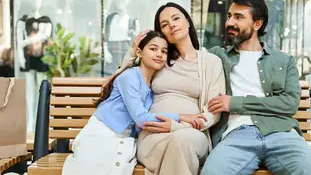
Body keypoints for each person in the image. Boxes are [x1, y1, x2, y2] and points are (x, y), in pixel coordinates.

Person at [201, 0, 311, 175]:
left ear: (257, 24)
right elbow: (187, 55)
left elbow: (289, 104)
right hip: (237, 135)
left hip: (282, 134)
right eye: (229, 16)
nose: (229, 23)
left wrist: (234, 103)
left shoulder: (283, 60)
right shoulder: (217, 56)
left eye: (238, 17)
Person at [60, 31, 206, 175]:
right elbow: (141, 118)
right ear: (139, 53)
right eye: (153, 49)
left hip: (124, 139)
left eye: (164, 51)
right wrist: (181, 116)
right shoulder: (129, 77)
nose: (159, 54)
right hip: (102, 133)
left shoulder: (152, 87)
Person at [117, 3, 226, 175]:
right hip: (153, 134)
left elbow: (214, 111)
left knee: (180, 143)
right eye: (164, 24)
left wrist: (176, 126)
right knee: (175, 150)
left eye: (176, 18)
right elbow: (123, 80)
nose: (172, 25)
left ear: (188, 22)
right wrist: (132, 51)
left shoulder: (211, 62)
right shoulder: (158, 60)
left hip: (191, 133)